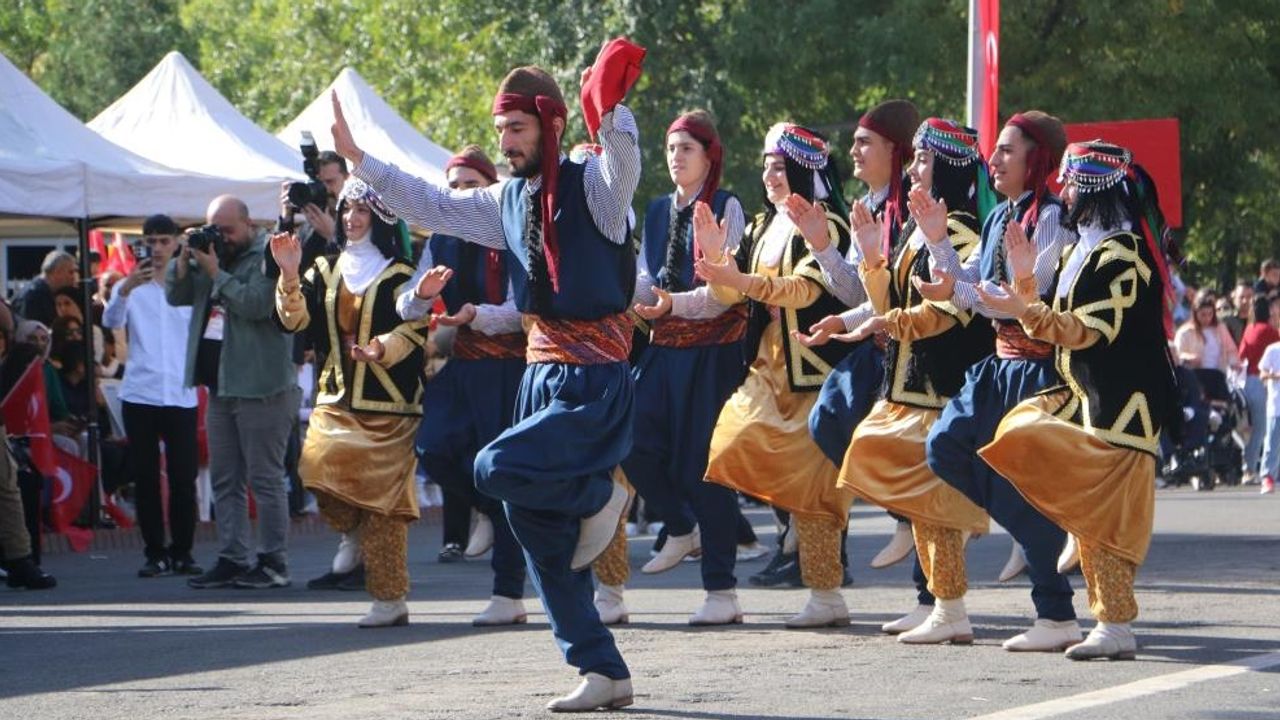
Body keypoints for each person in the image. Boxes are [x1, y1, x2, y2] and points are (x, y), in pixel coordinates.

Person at [335, 47, 642, 710]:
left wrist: (610, 106)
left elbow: (624, 166)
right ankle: (602, 669)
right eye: (500, 130)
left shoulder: (594, 186)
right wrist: (361, 161)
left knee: (493, 465)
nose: (505, 143)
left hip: (593, 381)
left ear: (551, 124)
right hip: (538, 376)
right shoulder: (507, 200)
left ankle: (600, 495)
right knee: (537, 530)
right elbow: (433, 204)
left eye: (517, 129)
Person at [978, 140, 1178, 660]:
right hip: (1083, 397)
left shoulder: (1124, 256)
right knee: (1020, 430)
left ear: (1092, 189)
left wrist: (1025, 308)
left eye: (1071, 183)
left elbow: (1087, 329)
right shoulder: (1076, 251)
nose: (1062, 191)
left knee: (1107, 523)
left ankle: (1115, 625)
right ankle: (1073, 529)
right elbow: (1046, 314)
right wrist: (1024, 285)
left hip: (1123, 410)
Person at [916, 110, 1083, 652]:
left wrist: (965, 290)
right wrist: (938, 242)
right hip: (997, 365)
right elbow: (972, 286)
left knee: (1025, 483)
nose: (995, 158)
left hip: (1038, 369)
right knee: (944, 447)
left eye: (1008, 150)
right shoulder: (996, 219)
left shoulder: (1052, 218)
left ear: (1038, 159)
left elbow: (1020, 300)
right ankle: (1035, 530)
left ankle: (1056, 615)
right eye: (997, 149)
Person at [832, 118, 995, 643]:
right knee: (901, 479)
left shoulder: (961, 231)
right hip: (905, 383)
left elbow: (947, 312)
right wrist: (869, 260)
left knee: (934, 501)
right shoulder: (912, 228)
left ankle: (949, 607)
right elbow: (887, 301)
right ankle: (934, 601)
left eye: (924, 159)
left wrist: (886, 323)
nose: (914, 168)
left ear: (947, 166)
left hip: (939, 383)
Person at [693, 122, 854, 628]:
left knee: (815, 490)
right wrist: (716, 257)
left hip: (814, 370)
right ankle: (785, 533)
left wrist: (740, 279)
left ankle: (826, 595)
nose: (769, 175)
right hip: (766, 365)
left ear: (803, 171)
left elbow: (805, 291)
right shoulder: (763, 226)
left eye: (780, 166)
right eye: (766, 166)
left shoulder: (826, 223)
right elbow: (727, 293)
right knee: (730, 441)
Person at [610, 109, 748, 626]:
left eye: (686, 148)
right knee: (631, 440)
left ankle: (721, 590)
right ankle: (679, 524)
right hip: (665, 347)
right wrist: (628, 294)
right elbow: (649, 277)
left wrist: (672, 304)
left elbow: (724, 290)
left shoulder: (727, 205)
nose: (676, 157)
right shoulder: (656, 210)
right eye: (670, 149)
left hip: (713, 351)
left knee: (703, 466)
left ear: (709, 155)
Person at [273, 178, 431, 627]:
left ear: (380, 218)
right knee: (315, 470)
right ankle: (353, 533)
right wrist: (288, 274)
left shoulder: (402, 274)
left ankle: (389, 600)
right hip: (335, 397)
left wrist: (381, 349)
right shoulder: (323, 269)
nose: (351, 218)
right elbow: (293, 322)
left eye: (361, 210)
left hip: (391, 405)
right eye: (346, 209)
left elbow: (413, 333)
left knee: (384, 512)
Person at [398, 145, 532, 627]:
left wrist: (477, 314)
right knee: (431, 448)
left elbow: (523, 308)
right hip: (464, 365)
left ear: (492, 188)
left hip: (509, 369)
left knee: (503, 473)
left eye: (471, 185)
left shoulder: (514, 231)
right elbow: (406, 306)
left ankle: (508, 593)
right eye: (453, 186)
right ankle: (491, 514)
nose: (461, 194)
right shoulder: (441, 238)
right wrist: (421, 295)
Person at [166, 196, 299, 590]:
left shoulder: (268, 254)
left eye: (228, 230)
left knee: (265, 479)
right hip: (221, 388)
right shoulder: (213, 255)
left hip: (262, 386)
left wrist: (215, 271)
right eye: (214, 229)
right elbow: (176, 295)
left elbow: (257, 304)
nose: (221, 237)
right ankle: (233, 557)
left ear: (248, 224)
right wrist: (183, 258)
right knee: (225, 480)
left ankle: (273, 562)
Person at [102, 214, 202, 578]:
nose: (157, 248)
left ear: (176, 243)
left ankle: (183, 552)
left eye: (164, 241)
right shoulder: (129, 286)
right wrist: (125, 288)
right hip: (141, 392)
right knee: (145, 478)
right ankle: (154, 552)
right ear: (141, 245)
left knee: (183, 477)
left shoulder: (188, 285)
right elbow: (111, 322)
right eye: (151, 242)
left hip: (180, 392)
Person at [1237, 295, 1279, 483]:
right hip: (1262, 383)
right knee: (1262, 429)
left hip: (1248, 380)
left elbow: (1241, 355)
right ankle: (1250, 468)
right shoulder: (1270, 331)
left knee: (1254, 428)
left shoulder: (1249, 329)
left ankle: (1249, 466)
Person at [15, 250, 78, 328]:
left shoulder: (45, 293)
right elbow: (32, 330)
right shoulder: (33, 297)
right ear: (57, 272)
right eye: (71, 272)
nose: (73, 277)